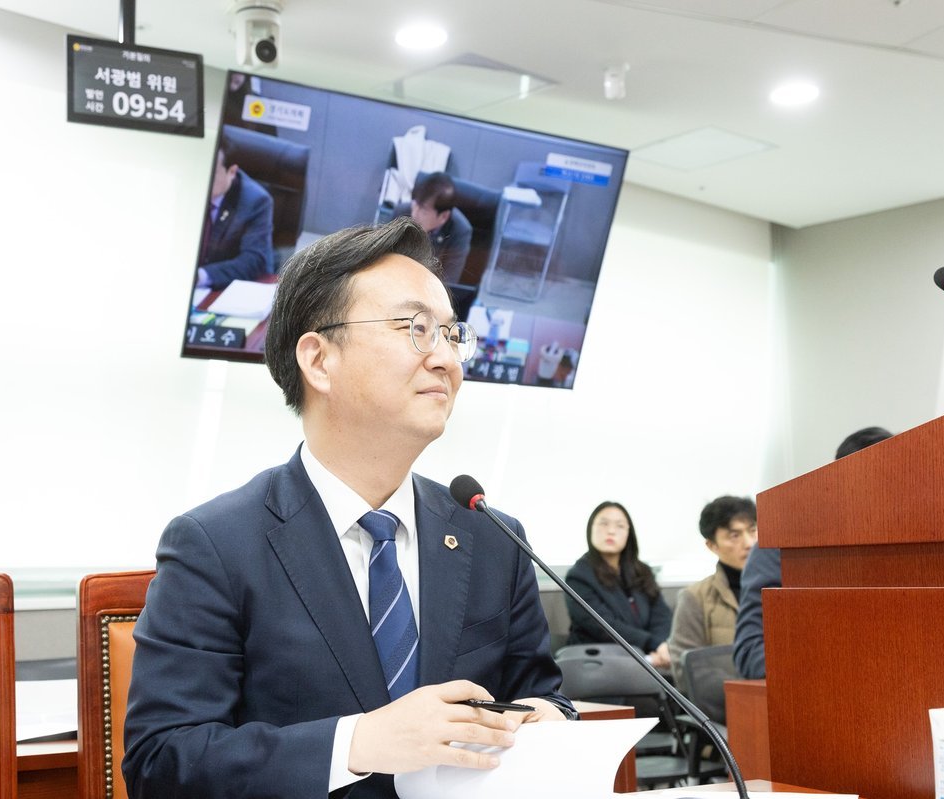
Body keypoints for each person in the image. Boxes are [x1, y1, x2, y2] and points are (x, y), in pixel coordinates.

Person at [123, 217, 575, 799]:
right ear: (318, 360)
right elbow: (163, 763)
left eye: (451, 334)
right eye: (417, 329)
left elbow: (543, 694)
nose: (446, 359)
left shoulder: (491, 536)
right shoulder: (215, 545)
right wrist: (357, 742)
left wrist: (549, 718)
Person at [733, 426, 893, 679]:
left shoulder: (914, 549)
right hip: (821, 685)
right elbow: (751, 653)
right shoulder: (780, 548)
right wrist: (836, 658)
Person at [564, 501, 674, 668]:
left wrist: (660, 644)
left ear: (629, 533)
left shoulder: (643, 571)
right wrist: (650, 643)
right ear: (590, 529)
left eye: (620, 526)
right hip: (598, 664)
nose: (611, 531)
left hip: (648, 660)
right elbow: (603, 625)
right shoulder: (578, 576)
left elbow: (661, 615)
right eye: (604, 523)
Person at [667, 495, 758, 680]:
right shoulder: (694, 597)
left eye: (753, 530)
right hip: (726, 696)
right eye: (734, 535)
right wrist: (739, 690)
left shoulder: (781, 587)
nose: (749, 543)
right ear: (712, 545)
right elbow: (684, 669)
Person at [196, 144, 274, 290]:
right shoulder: (185, 185)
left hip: (228, 287)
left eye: (212, 172)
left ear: (231, 172)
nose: (203, 177)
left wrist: (200, 276)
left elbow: (253, 261)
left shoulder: (255, 201)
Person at [395, 172, 473, 284]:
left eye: (424, 210)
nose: (414, 213)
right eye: (416, 203)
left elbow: (448, 283)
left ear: (443, 216)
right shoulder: (401, 212)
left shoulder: (460, 231)